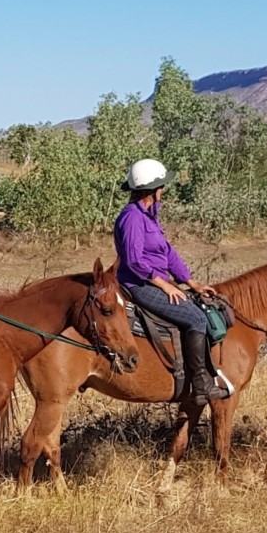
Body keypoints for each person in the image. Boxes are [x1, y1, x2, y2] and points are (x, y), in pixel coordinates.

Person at [112, 159, 228, 403]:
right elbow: (133, 261)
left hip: (153, 281)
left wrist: (190, 282)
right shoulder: (132, 218)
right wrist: (164, 285)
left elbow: (167, 252)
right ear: (152, 190)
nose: (163, 190)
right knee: (196, 318)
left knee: (196, 308)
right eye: (161, 186)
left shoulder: (150, 216)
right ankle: (201, 384)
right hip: (138, 284)